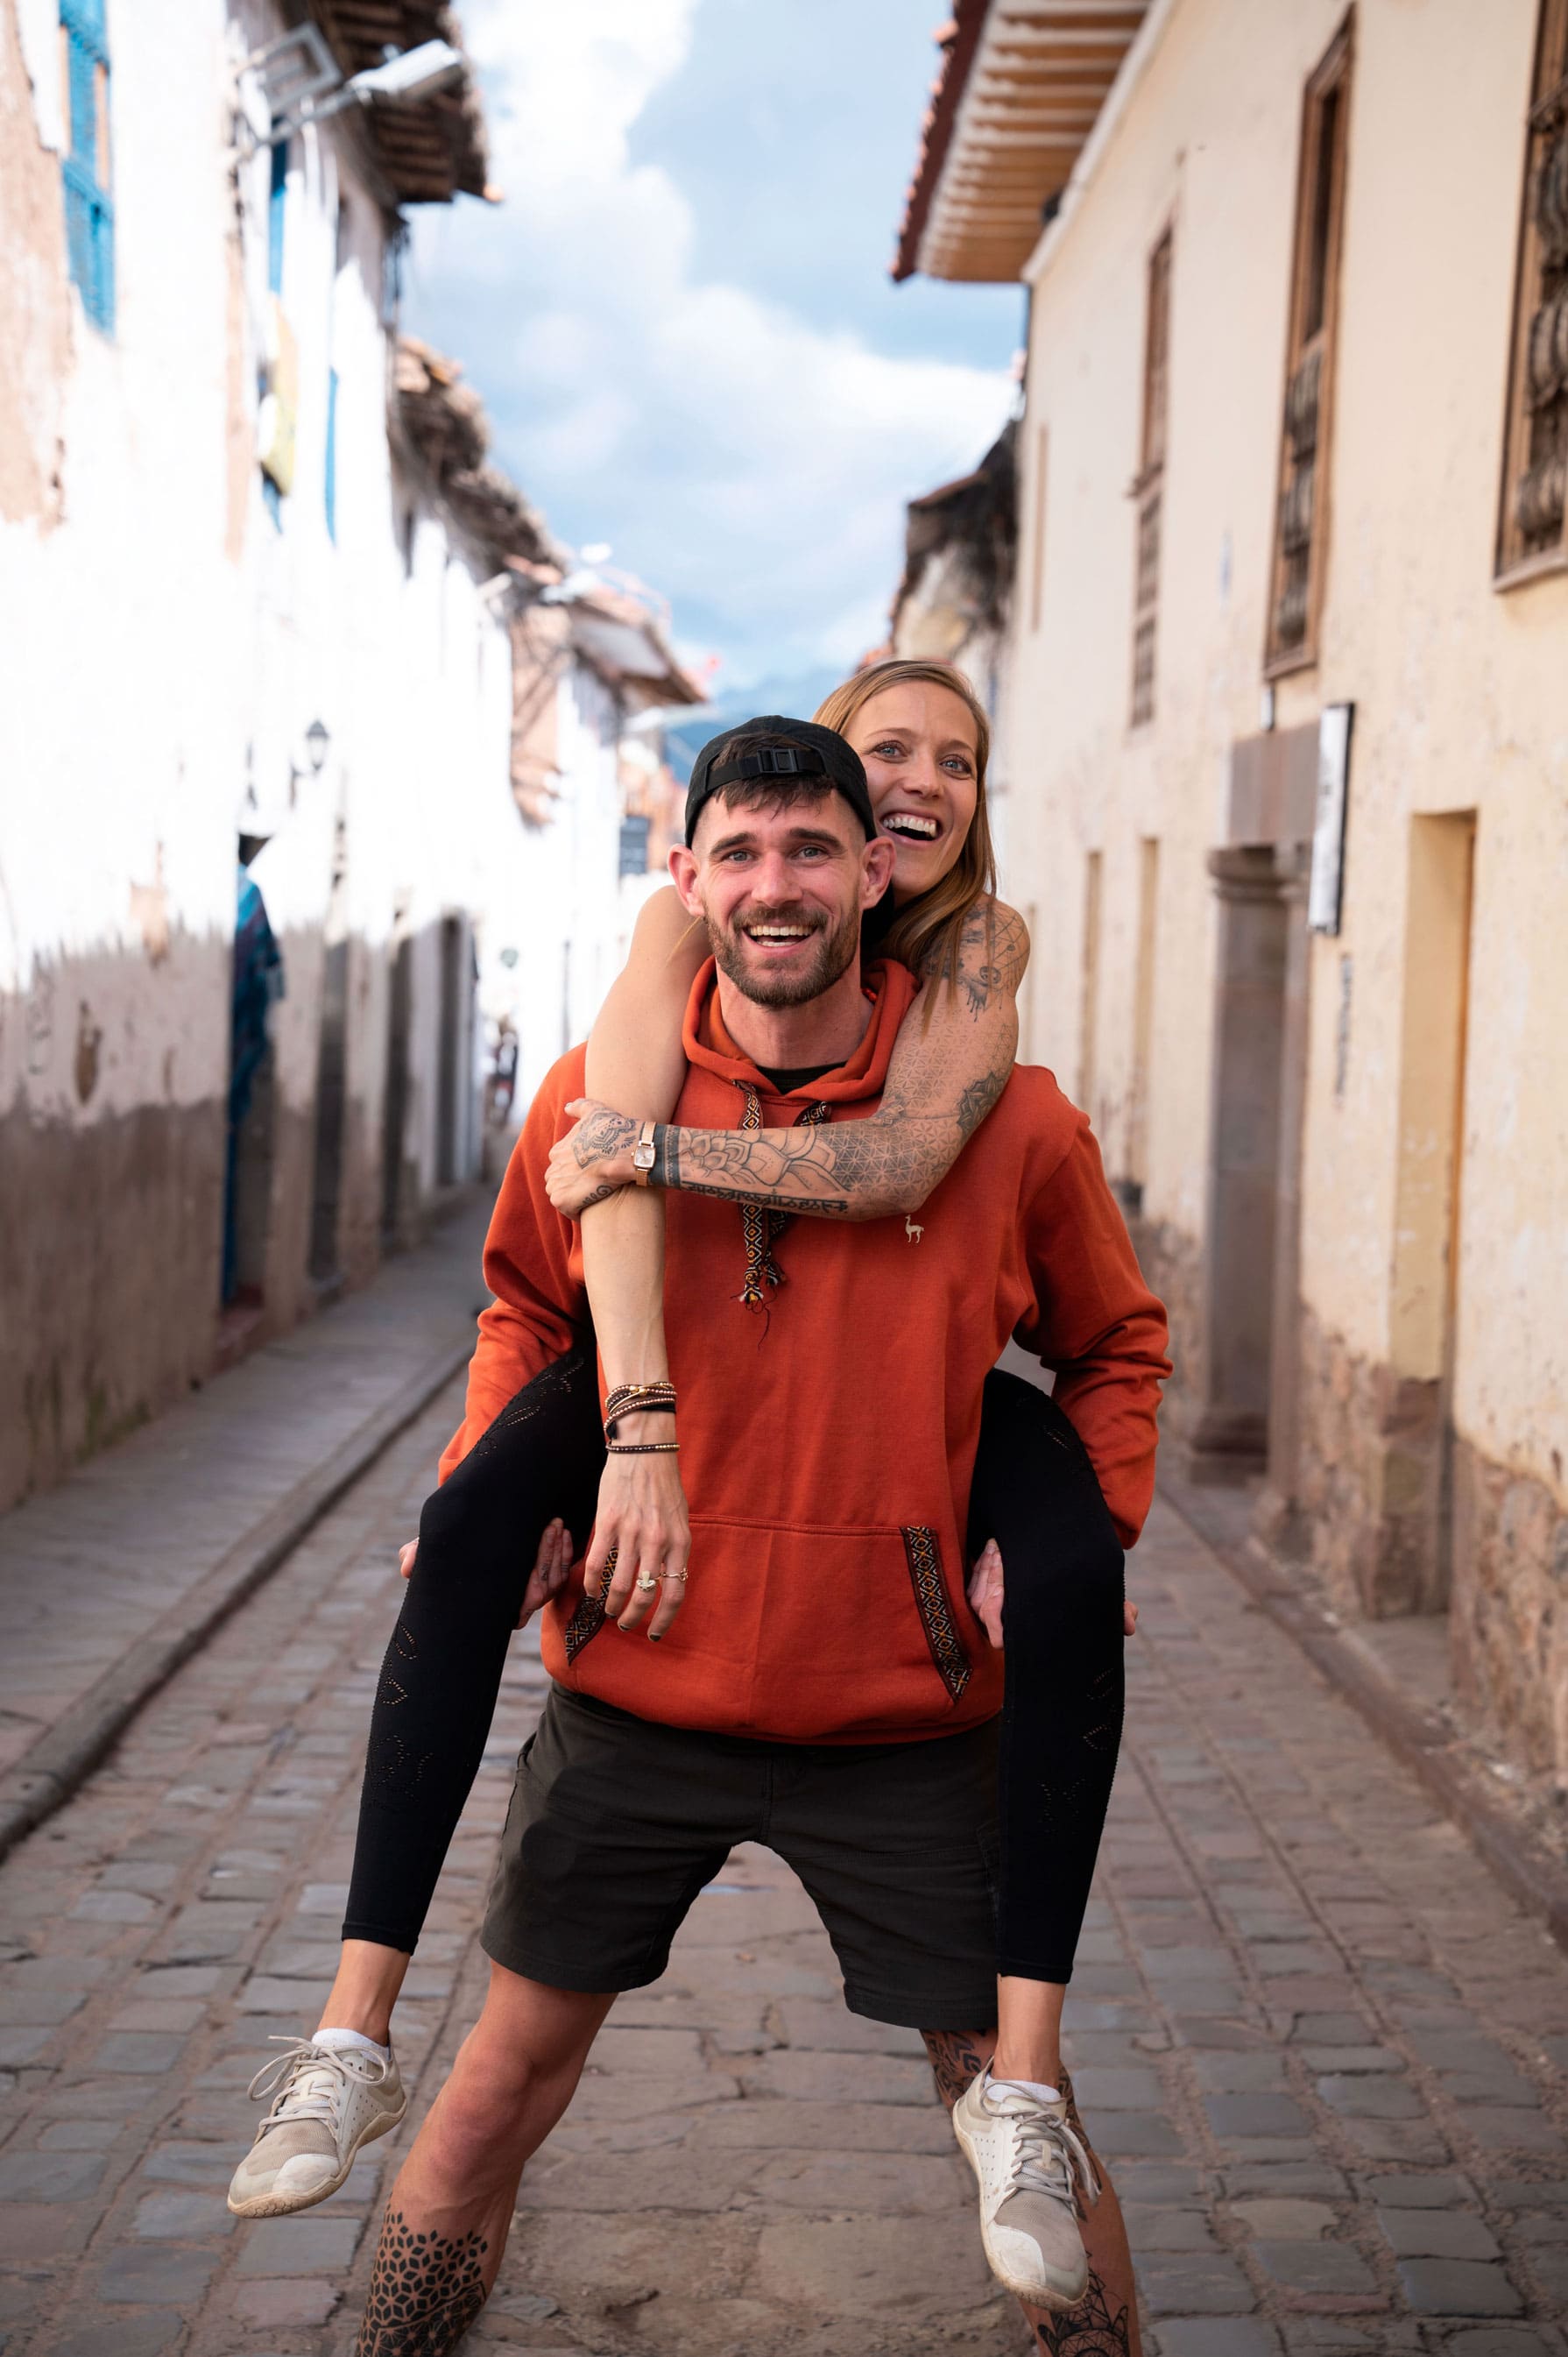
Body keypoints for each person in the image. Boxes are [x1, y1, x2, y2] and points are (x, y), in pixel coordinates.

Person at [227, 666, 1159, 2316]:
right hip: (639, 1693)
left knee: (1033, 2167)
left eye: (816, 853)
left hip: (908, 1723)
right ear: (691, 878)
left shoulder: (1008, 1126)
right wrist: (506, 1495)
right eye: (743, 855)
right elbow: (520, 1302)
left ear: (876, 868)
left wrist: (1079, 1526)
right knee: (478, 2119)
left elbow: (1117, 1342)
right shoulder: (603, 1093)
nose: (777, 888)